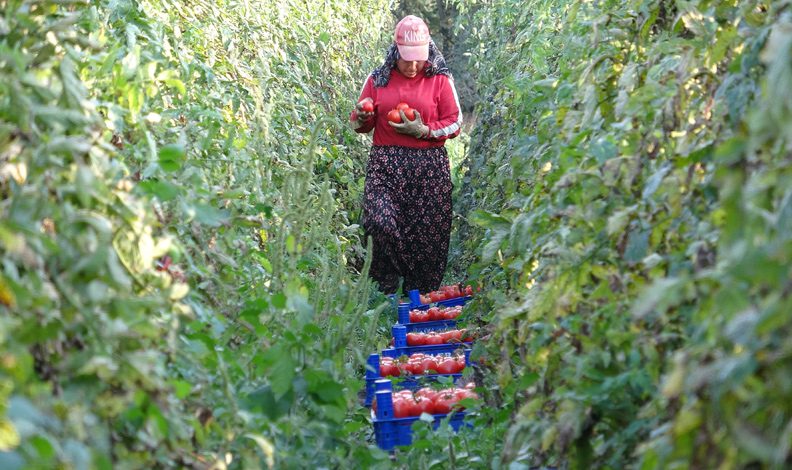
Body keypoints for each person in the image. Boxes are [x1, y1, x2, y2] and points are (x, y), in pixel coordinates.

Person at [349, 15, 463, 295]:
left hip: (429, 167)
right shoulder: (378, 79)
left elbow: (455, 121)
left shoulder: (439, 79)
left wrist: (424, 130)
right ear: (395, 50)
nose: (412, 66)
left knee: (426, 236)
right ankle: (385, 290)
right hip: (386, 164)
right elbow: (359, 124)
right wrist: (362, 116)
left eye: (418, 60)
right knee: (380, 221)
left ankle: (419, 298)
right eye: (406, 59)